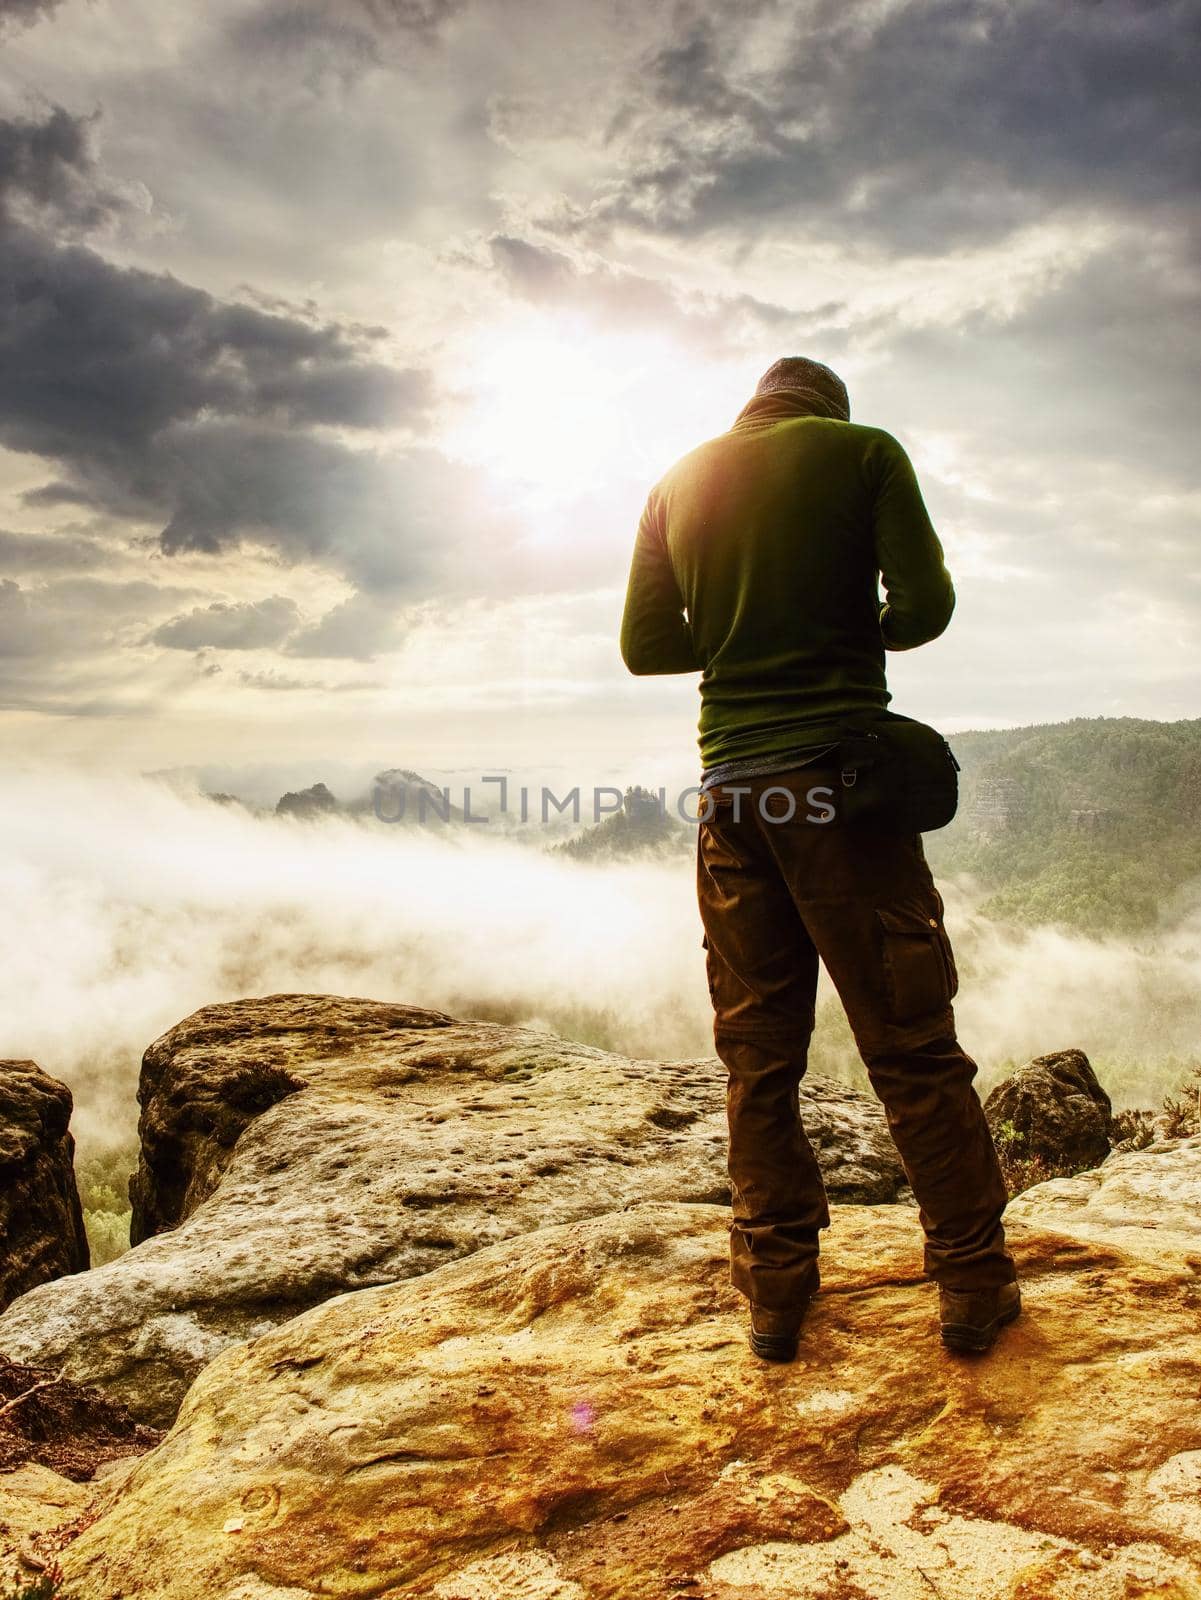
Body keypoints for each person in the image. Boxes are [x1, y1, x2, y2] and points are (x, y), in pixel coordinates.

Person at [620, 356, 1019, 1363]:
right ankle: (971, 1288)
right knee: (913, 1047)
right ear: (827, 410)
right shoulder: (864, 454)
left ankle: (773, 1298)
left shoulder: (676, 480)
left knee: (758, 1060)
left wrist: (737, 629)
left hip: (733, 800)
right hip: (840, 789)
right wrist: (849, 625)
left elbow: (643, 645)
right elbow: (923, 610)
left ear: (752, 409)